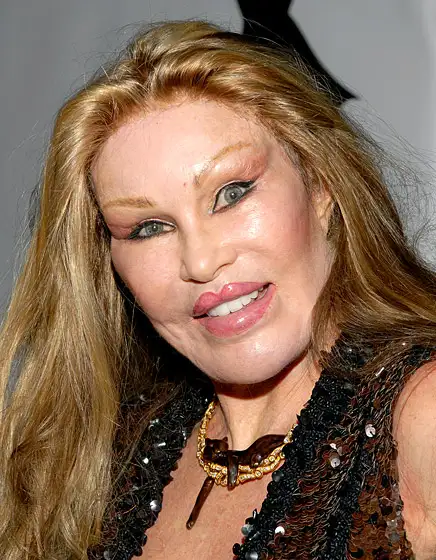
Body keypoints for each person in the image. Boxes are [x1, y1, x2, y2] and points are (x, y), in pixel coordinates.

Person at [0, 20, 435, 560]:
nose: (201, 262)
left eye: (231, 193)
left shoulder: (419, 418)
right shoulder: (90, 460)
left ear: (321, 186)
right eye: (149, 228)